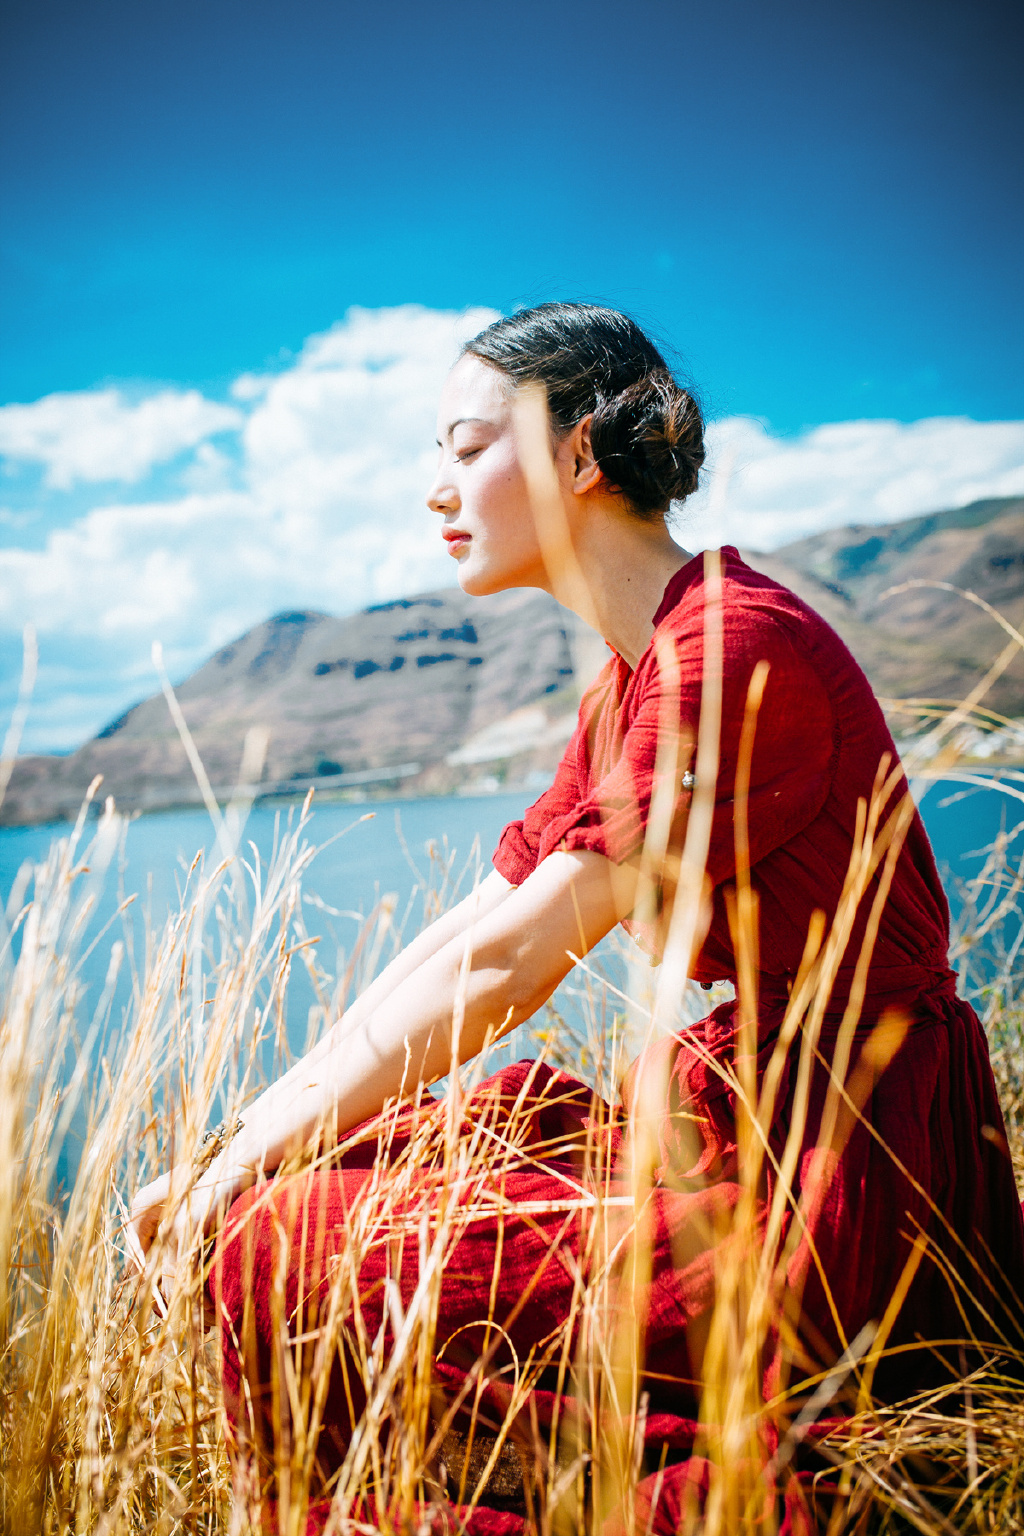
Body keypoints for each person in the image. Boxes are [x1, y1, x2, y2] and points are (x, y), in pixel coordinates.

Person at [129, 304, 1024, 1533]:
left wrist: (234, 1173)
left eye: (463, 446)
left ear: (578, 458)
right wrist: (248, 1135)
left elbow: (506, 966)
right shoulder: (642, 665)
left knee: (278, 1242)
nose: (434, 489)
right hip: (760, 1109)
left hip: (834, 1155)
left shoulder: (728, 651)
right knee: (337, 1172)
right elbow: (470, 926)